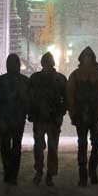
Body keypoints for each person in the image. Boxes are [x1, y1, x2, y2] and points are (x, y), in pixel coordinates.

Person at [66, 46, 98, 186]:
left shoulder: (78, 75)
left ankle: (89, 170)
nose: (87, 59)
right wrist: (73, 111)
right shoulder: (97, 74)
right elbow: (70, 96)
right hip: (86, 115)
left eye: (88, 57)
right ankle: (85, 173)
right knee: (85, 144)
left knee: (93, 144)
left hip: (90, 115)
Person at [0, 53, 30, 185]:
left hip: (4, 119)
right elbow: (30, 100)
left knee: (5, 146)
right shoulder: (25, 81)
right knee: (16, 146)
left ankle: (7, 172)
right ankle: (14, 175)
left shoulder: (0, 80)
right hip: (18, 119)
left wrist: (2, 105)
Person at [27, 51, 67, 186]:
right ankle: (48, 174)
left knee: (41, 147)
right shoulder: (60, 79)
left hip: (44, 117)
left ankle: (41, 172)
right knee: (50, 147)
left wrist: (31, 113)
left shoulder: (36, 78)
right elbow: (65, 99)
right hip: (51, 118)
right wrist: (61, 111)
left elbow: (30, 98)